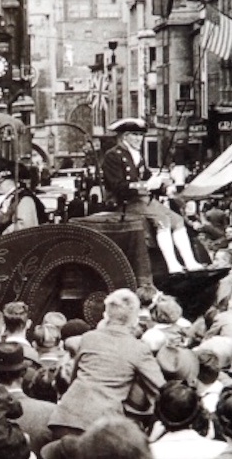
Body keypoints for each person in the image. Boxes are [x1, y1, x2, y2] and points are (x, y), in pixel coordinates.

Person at [48, 288, 166, 437]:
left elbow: (73, 378)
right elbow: (161, 390)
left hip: (65, 417)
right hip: (99, 426)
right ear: (135, 318)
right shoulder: (138, 349)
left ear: (106, 315)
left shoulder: (89, 338)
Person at [101, 118, 203, 273]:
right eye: (135, 135)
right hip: (126, 202)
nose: (139, 139)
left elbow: (148, 177)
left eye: (140, 135)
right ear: (124, 136)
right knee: (163, 220)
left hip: (143, 200)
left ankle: (190, 262)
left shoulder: (137, 156)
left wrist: (166, 188)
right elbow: (118, 186)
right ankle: (172, 265)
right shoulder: (113, 156)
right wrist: (146, 185)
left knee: (178, 220)